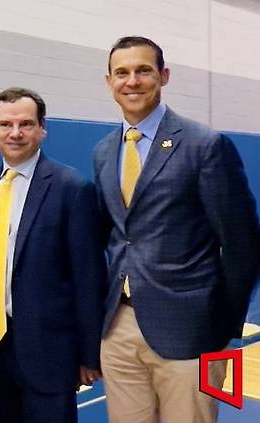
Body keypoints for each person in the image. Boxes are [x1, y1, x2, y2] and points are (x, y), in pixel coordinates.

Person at [94, 36, 260, 422]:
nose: (132, 81)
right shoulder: (104, 151)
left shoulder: (205, 145)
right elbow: (116, 236)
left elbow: (242, 244)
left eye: (143, 70)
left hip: (192, 330)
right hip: (118, 327)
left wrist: (222, 328)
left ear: (163, 76)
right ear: (109, 82)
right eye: (122, 73)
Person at [0, 87, 106, 422]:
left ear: (42, 128)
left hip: (50, 352)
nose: (15, 133)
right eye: (5, 124)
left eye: (26, 124)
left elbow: (88, 278)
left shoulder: (72, 189)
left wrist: (90, 354)